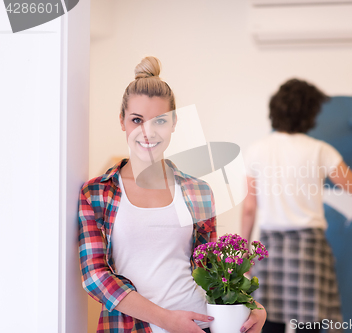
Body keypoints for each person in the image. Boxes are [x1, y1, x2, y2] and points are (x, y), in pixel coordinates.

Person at [78, 56, 266, 333]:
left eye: (160, 121)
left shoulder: (198, 192)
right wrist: (166, 320)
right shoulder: (97, 193)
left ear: (175, 122)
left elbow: (211, 270)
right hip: (133, 327)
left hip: (200, 324)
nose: (147, 132)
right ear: (122, 121)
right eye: (137, 120)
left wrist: (250, 305)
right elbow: (95, 277)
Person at [241, 78, 352, 333]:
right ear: (310, 114)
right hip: (308, 248)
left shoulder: (257, 150)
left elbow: (249, 207)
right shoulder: (320, 151)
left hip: (270, 247)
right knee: (309, 325)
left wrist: (245, 250)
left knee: (267, 320)